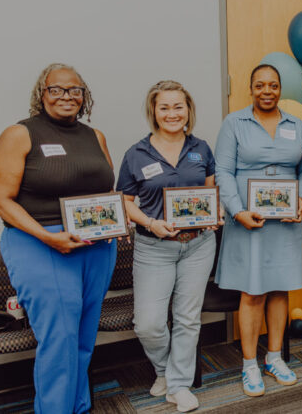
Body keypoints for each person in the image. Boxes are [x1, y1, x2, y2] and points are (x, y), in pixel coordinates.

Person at [0, 63, 117, 414]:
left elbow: (105, 190)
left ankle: (79, 406)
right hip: (40, 244)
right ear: (41, 95)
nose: (66, 96)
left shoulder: (94, 136)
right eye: (56, 89)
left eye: (75, 90)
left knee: (84, 337)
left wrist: (116, 223)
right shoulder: (20, 134)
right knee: (59, 339)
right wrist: (47, 236)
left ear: (84, 96)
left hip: (96, 246)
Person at [116, 80, 218, 412]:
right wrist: (149, 222)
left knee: (187, 319)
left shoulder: (201, 148)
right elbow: (126, 202)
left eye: (178, 106)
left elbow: (209, 191)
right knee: (148, 323)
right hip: (153, 247)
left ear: (188, 110)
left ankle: (177, 385)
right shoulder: (137, 153)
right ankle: (165, 370)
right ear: (154, 112)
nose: (172, 113)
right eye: (165, 107)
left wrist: (214, 214)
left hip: (198, 245)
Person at [214, 64, 302, 397]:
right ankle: (249, 365)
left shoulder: (295, 124)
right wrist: (237, 210)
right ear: (251, 88)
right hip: (248, 217)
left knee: (280, 287)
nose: (267, 91)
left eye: (273, 85)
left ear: (280, 89)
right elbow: (223, 172)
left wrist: (300, 200)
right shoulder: (234, 123)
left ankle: (274, 358)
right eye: (260, 85)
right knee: (252, 291)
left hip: (284, 220)